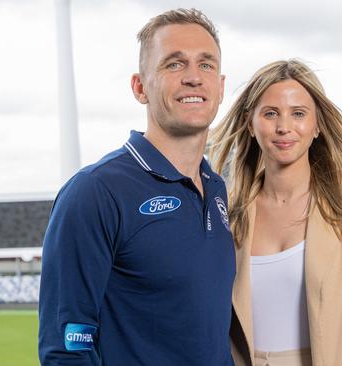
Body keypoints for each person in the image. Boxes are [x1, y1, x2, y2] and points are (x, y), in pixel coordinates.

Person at [38, 8, 236, 365]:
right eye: (174, 64)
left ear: (220, 87)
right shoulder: (94, 193)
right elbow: (66, 350)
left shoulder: (218, 189)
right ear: (139, 87)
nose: (194, 77)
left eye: (206, 64)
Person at [210, 60, 342, 366]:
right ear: (249, 123)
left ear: (317, 124)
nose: (284, 127)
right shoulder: (229, 209)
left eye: (298, 113)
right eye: (270, 113)